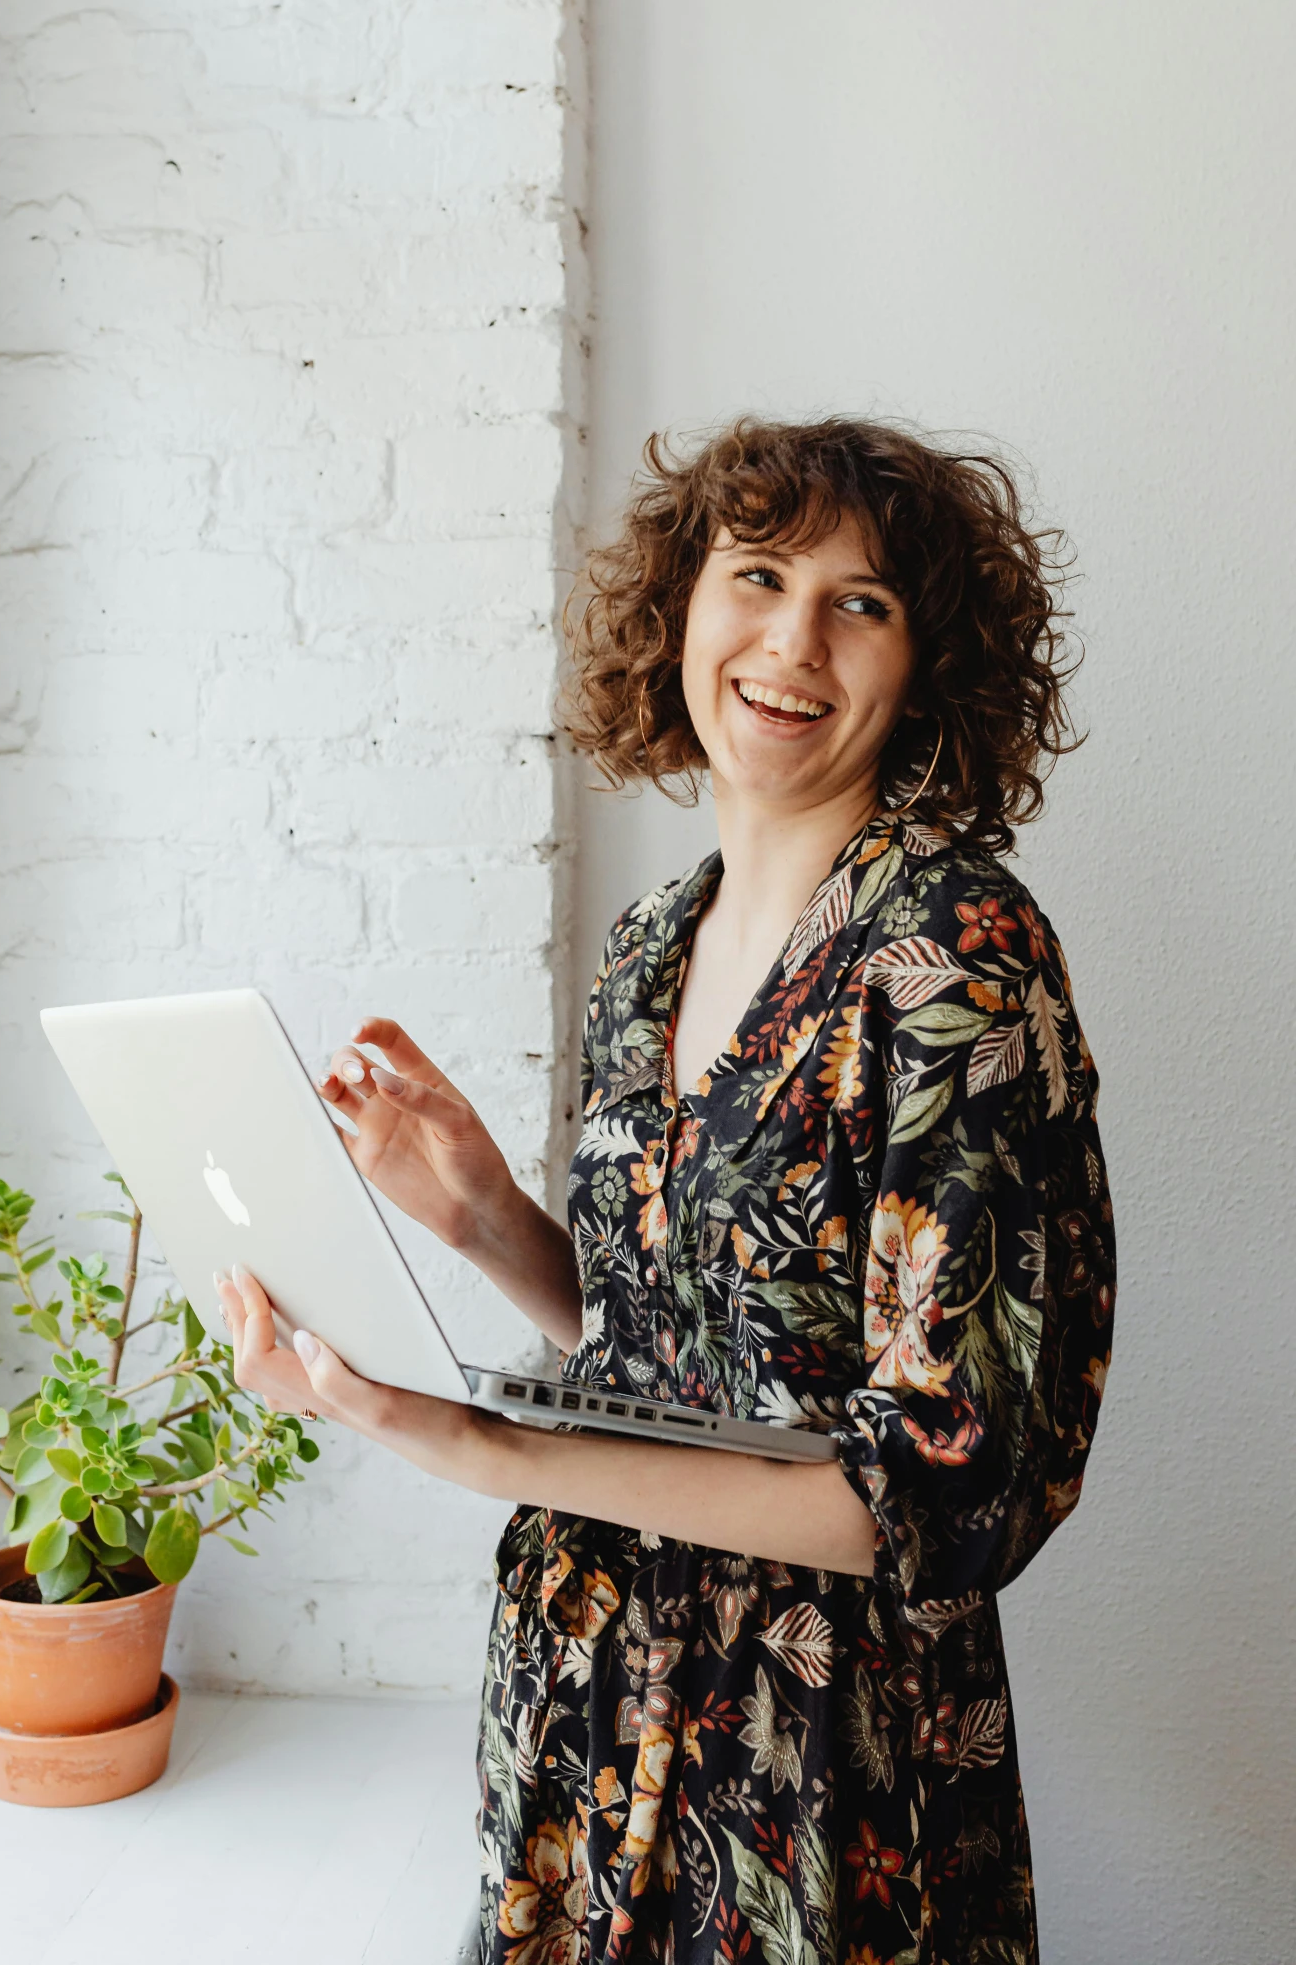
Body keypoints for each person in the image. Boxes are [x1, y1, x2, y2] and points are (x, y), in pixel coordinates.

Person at [217, 416, 1116, 1965]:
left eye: (861, 601)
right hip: (583, 1701)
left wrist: (468, 1438)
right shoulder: (647, 949)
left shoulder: (955, 955)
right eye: (756, 575)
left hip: (816, 1758)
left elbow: (949, 1492)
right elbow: (683, 1363)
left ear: (924, 663)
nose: (790, 640)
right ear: (680, 609)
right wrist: (486, 1213)